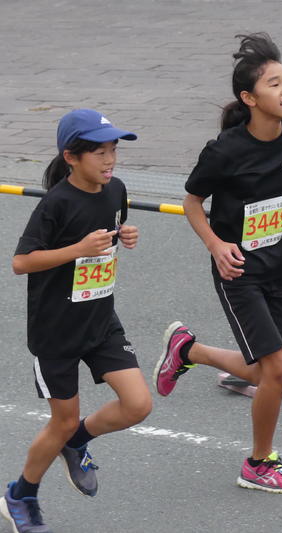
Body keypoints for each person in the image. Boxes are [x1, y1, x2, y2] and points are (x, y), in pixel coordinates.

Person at [153, 32, 282, 494]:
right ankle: (259, 462)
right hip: (239, 272)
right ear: (249, 98)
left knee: (271, 373)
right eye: (274, 84)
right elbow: (191, 202)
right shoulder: (224, 150)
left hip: (280, 268)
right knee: (278, 371)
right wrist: (216, 245)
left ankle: (189, 351)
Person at [1, 109, 152, 533]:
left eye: (113, 150)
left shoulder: (115, 189)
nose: (110, 160)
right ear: (71, 156)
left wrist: (124, 235)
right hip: (57, 332)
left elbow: (109, 233)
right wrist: (78, 249)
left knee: (138, 405)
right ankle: (21, 495)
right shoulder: (56, 204)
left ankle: (77, 442)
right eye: (99, 152)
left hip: (101, 319)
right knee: (63, 419)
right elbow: (21, 262)